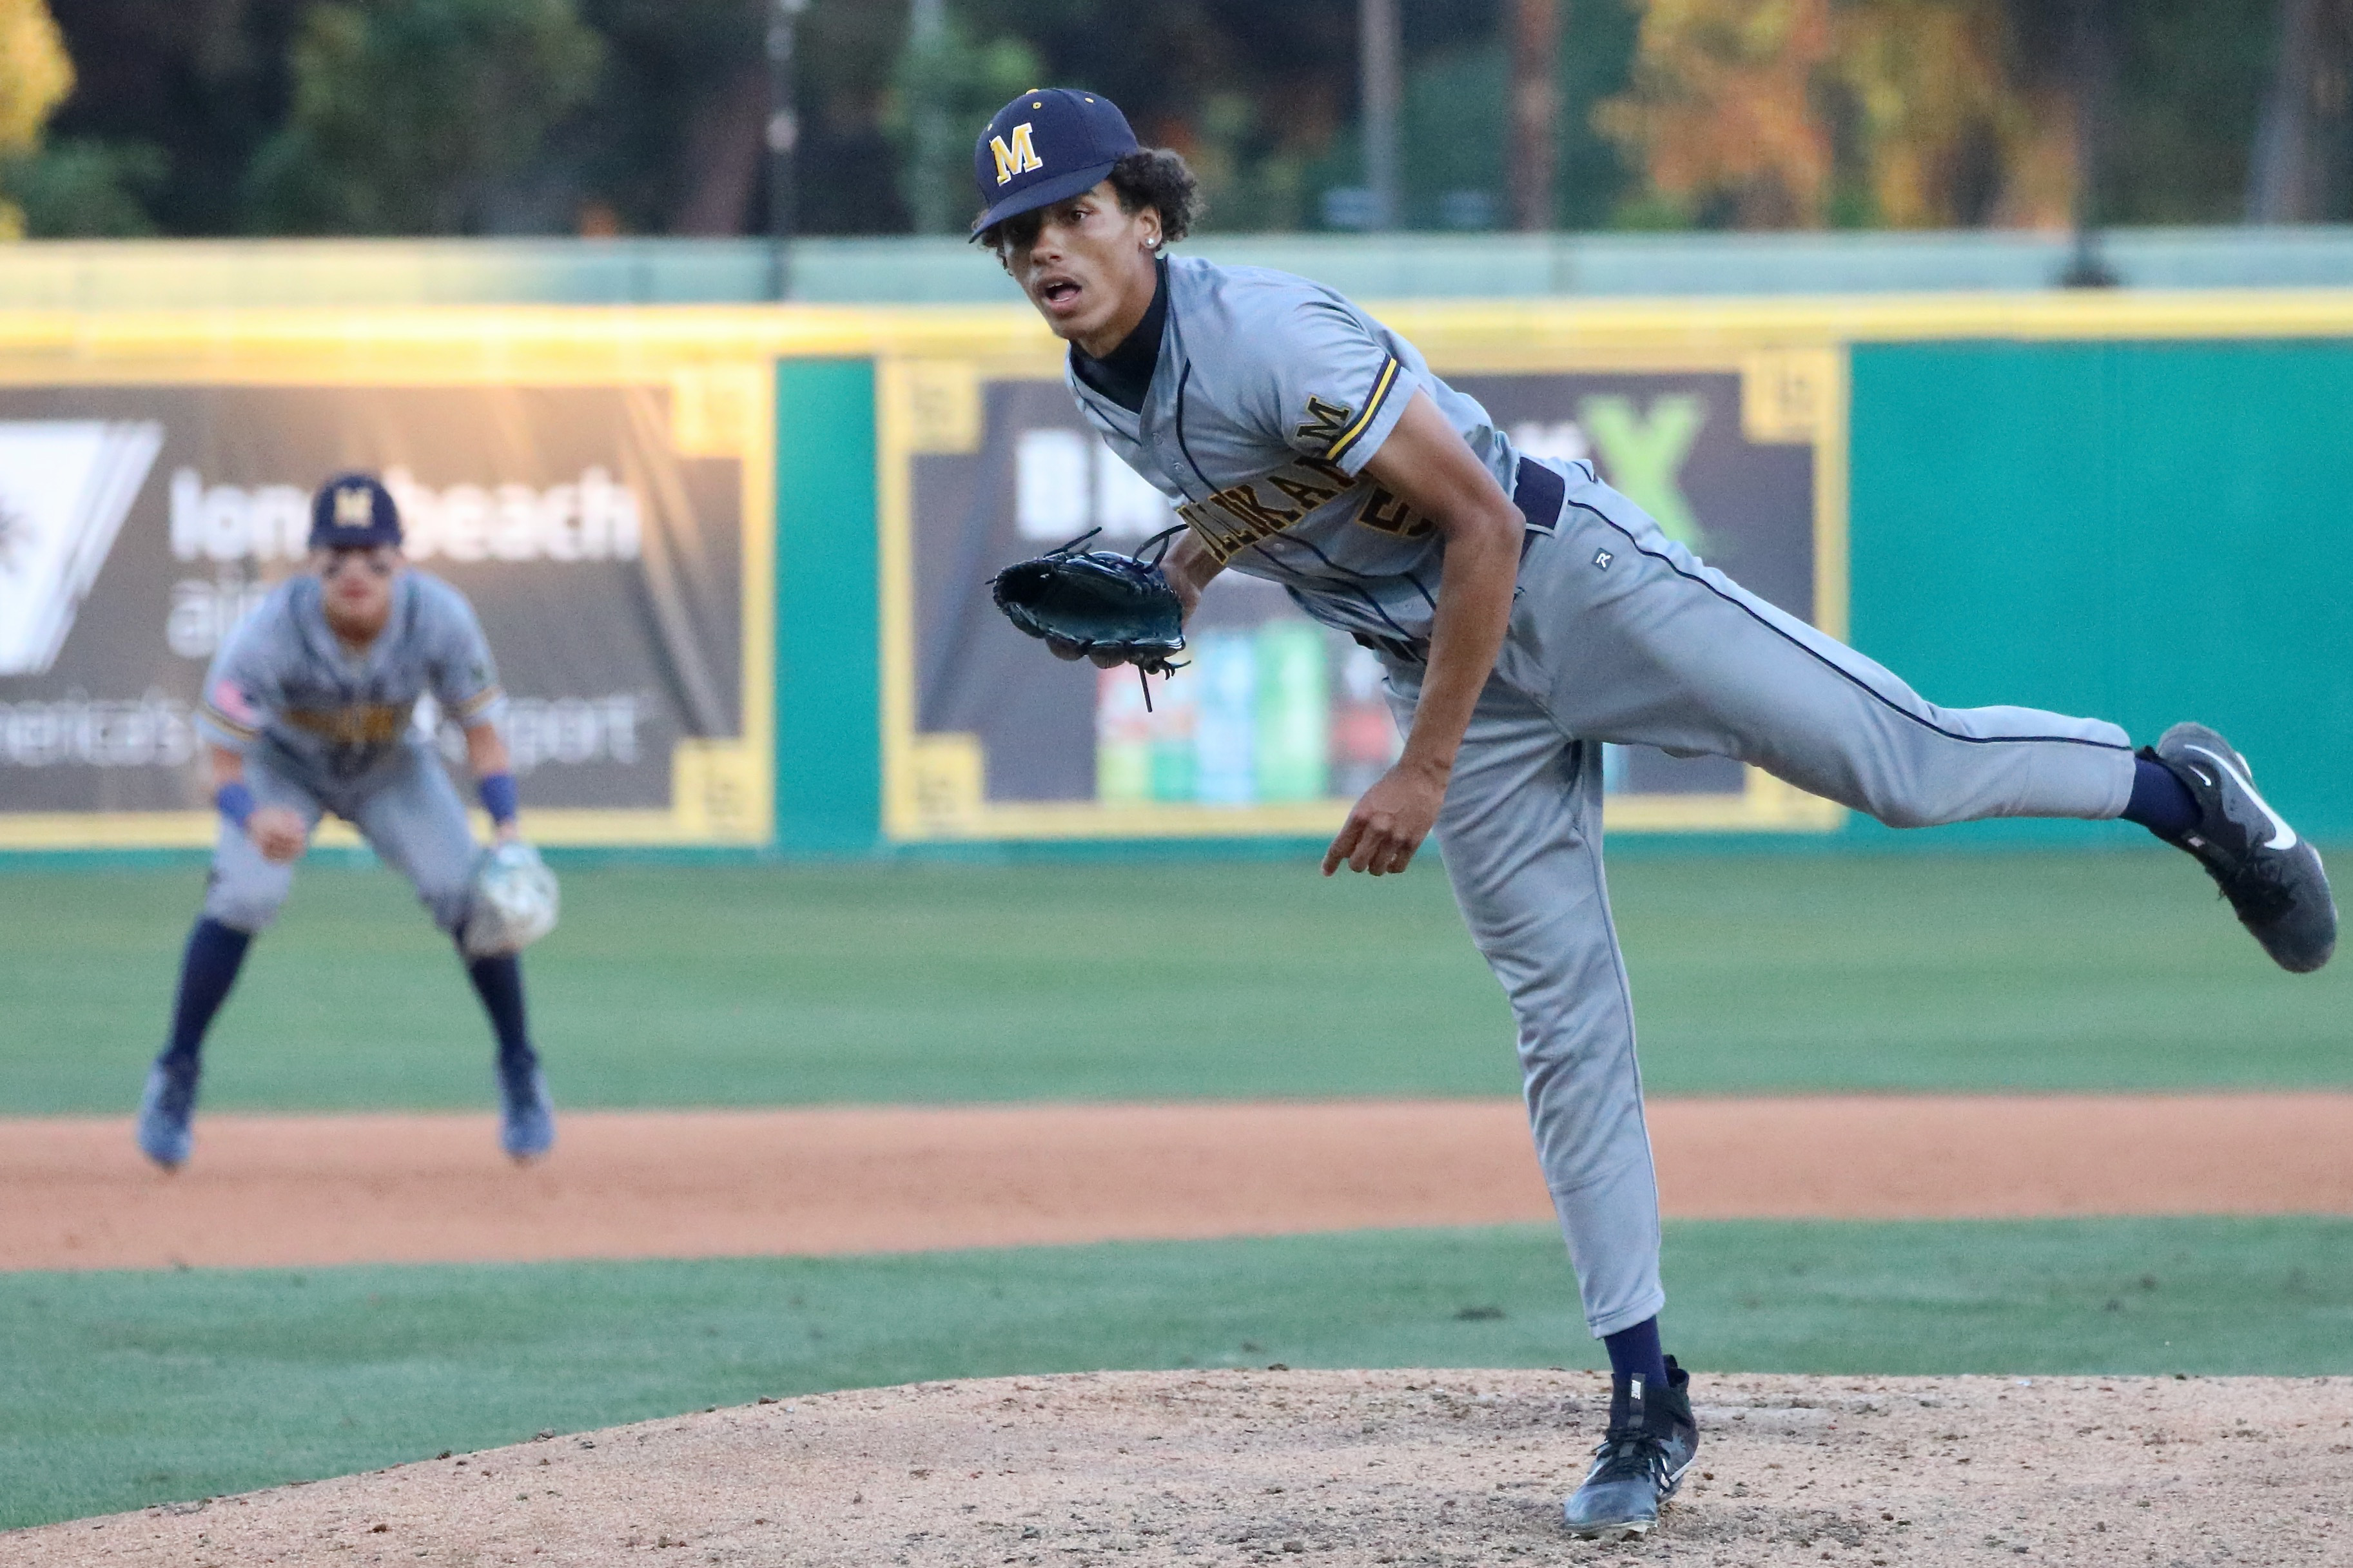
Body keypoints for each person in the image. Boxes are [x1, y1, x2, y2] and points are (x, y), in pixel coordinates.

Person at [964, 88, 2336, 1538]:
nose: (1047, 247)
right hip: (1443, 666)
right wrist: (1176, 574)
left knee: (1902, 762)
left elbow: (1478, 524)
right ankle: (1644, 1394)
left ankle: (2184, 794)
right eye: (1017, 233)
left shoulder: (1266, 332)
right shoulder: (1103, 388)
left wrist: (1420, 765)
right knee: (1561, 1018)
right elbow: (1272, 508)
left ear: (1146, 215)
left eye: (1072, 212)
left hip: (1571, 581)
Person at [134, 474, 555, 1170]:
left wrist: (508, 832)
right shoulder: (268, 632)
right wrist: (249, 815)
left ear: (402, 560)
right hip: (283, 769)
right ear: (310, 563)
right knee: (244, 895)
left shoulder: (440, 616)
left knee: (473, 898)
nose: (355, 571)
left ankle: (520, 1069)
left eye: (373, 555)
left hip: (390, 766)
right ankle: (175, 1074)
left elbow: (482, 734)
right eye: (337, 555)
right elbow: (219, 765)